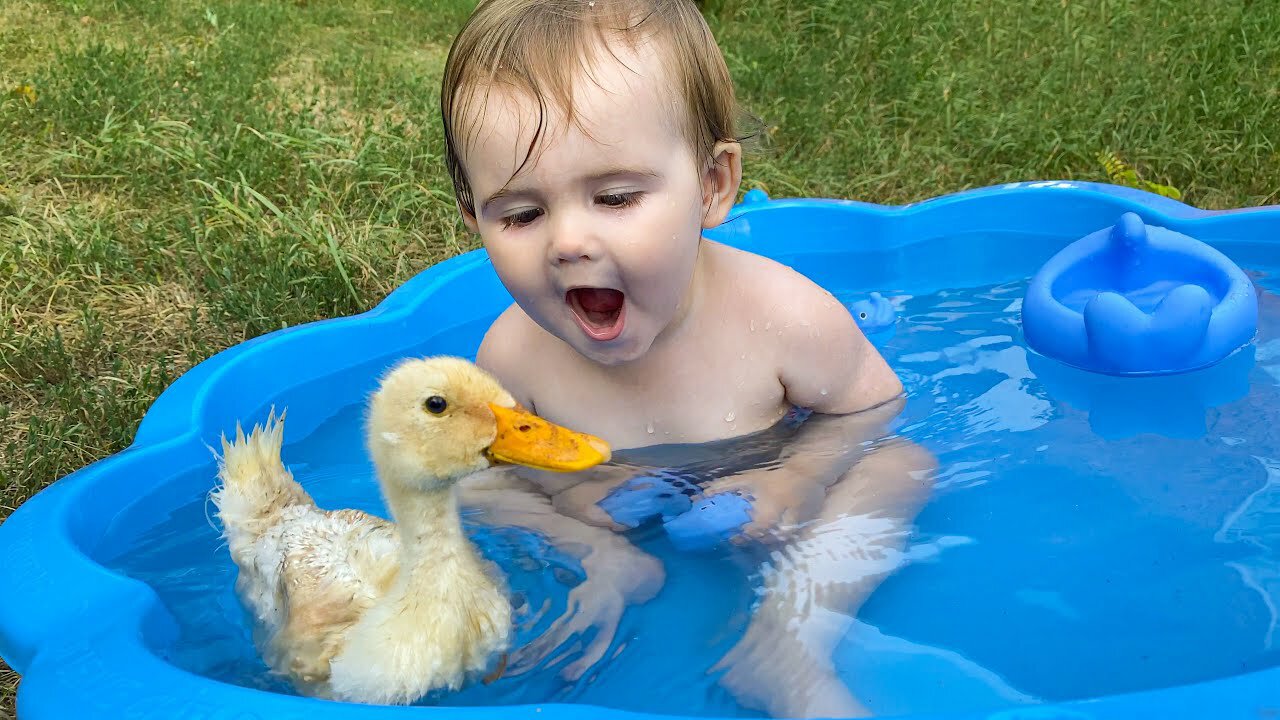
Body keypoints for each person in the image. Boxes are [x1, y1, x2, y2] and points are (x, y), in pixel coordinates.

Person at [440, 1, 936, 715]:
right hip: (618, 521)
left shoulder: (783, 317)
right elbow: (494, 478)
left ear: (712, 186)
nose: (567, 242)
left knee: (903, 465)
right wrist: (575, 524)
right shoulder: (514, 354)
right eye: (520, 214)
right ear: (475, 219)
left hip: (767, 475)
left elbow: (875, 408)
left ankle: (788, 637)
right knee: (462, 482)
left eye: (614, 197)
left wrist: (799, 474)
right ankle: (613, 570)